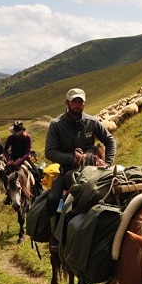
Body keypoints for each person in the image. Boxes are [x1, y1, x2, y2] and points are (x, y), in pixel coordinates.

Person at [43, 88, 117, 216]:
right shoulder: (56, 124)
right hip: (68, 170)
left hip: (95, 168)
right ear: (67, 103)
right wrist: (72, 159)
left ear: (84, 103)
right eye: (74, 102)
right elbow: (50, 152)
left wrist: (108, 162)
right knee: (53, 199)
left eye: (80, 102)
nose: (77, 105)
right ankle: (52, 233)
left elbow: (110, 140)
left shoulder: (92, 122)